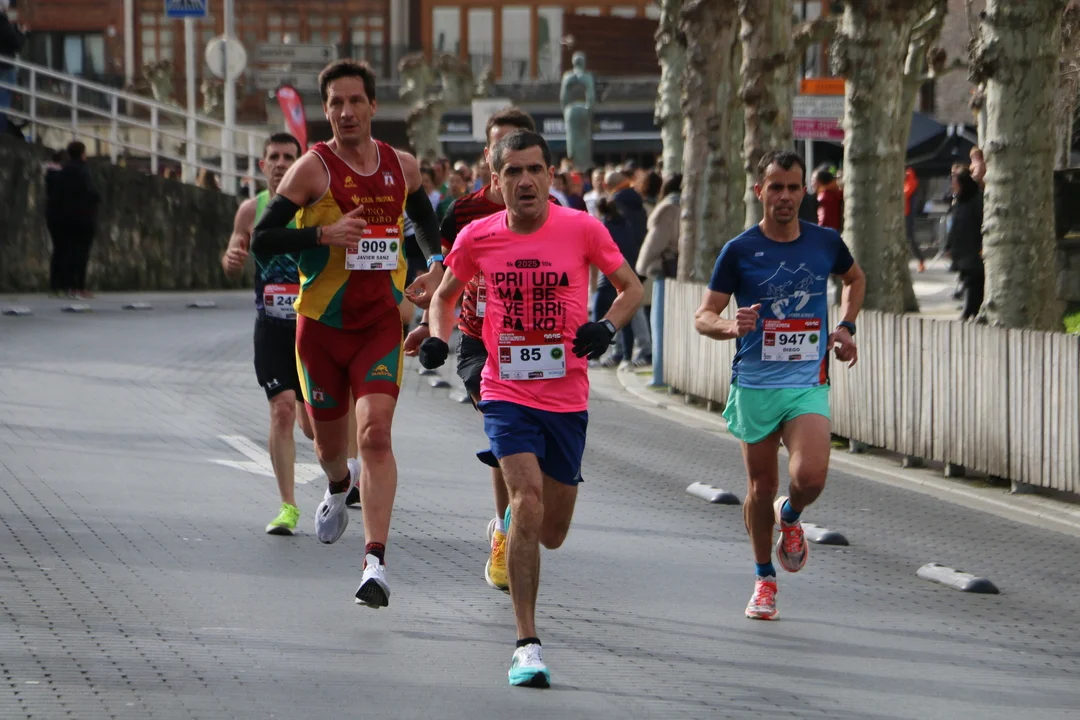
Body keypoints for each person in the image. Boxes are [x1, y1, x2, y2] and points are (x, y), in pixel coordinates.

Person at [417, 129, 643, 688]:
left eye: (534, 170)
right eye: (513, 172)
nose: (525, 181)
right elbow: (445, 295)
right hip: (506, 390)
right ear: (496, 182)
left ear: (550, 176)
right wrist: (439, 339)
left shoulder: (582, 229)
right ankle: (526, 643)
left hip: (566, 397)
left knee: (552, 531)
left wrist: (606, 326)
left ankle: (517, 532)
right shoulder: (478, 235)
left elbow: (631, 288)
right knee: (526, 500)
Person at [250, 59, 444, 609]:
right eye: (335, 102)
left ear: (373, 106)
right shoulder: (311, 169)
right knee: (328, 446)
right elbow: (264, 239)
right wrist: (323, 235)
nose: (346, 111)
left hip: (379, 325)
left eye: (356, 100)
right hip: (321, 329)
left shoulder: (402, 166)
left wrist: (435, 263)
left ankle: (374, 563)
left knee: (376, 436)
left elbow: (424, 222)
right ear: (326, 110)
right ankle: (338, 485)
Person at [693, 149, 866, 621]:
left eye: (793, 187)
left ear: (803, 192)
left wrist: (846, 326)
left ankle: (789, 516)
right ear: (760, 191)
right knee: (760, 486)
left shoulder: (825, 241)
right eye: (776, 187)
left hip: (806, 381)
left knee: (809, 478)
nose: (785, 196)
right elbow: (703, 316)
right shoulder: (739, 250)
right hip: (754, 384)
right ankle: (764, 578)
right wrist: (730, 326)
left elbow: (854, 279)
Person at [404, 107, 540, 594]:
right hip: (480, 341)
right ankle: (505, 532)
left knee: (535, 454)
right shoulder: (462, 213)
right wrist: (429, 327)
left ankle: (515, 517)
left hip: (538, 342)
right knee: (507, 435)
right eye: (501, 146)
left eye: (521, 147)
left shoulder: (552, 211)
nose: (511, 157)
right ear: (488, 156)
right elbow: (444, 280)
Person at [221, 132, 349, 536]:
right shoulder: (252, 210)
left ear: (300, 164)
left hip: (313, 330)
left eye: (288, 157)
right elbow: (233, 257)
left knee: (315, 428)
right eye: (273, 157)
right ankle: (288, 506)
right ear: (262, 165)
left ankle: (342, 479)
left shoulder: (318, 208)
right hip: (272, 330)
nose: (280, 164)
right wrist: (231, 259)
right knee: (281, 410)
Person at [54, 141, 101, 299]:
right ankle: (79, 287)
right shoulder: (83, 169)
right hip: (83, 216)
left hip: (67, 216)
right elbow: (90, 191)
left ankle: (69, 286)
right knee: (82, 253)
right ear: (82, 153)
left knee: (70, 252)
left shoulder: (64, 170)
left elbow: (58, 194)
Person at [947, 167, 984, 321]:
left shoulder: (976, 201)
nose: (952, 186)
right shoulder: (959, 201)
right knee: (968, 279)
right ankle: (970, 309)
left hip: (973, 247)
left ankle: (970, 310)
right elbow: (954, 226)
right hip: (963, 248)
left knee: (973, 280)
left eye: (955, 182)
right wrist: (949, 246)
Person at [904, 166, 925, 273]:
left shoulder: (911, 180)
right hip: (904, 213)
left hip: (907, 214)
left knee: (909, 238)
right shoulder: (906, 181)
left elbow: (905, 194)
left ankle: (921, 260)